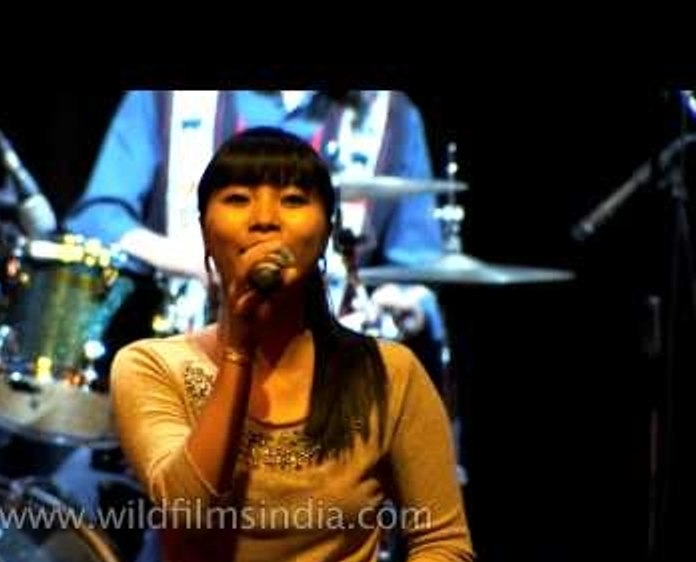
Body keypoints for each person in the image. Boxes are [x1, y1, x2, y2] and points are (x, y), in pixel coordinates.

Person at [108, 127, 473, 562]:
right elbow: (189, 510)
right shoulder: (149, 366)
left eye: (293, 199)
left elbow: (446, 550)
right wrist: (239, 351)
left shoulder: (388, 373)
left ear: (326, 232)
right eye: (237, 199)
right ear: (205, 231)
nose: (264, 219)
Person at [64, 90, 448, 365]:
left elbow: (415, 268)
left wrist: (406, 303)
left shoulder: (391, 115)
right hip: (185, 353)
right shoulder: (165, 97)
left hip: (327, 373)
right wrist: (195, 259)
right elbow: (98, 220)